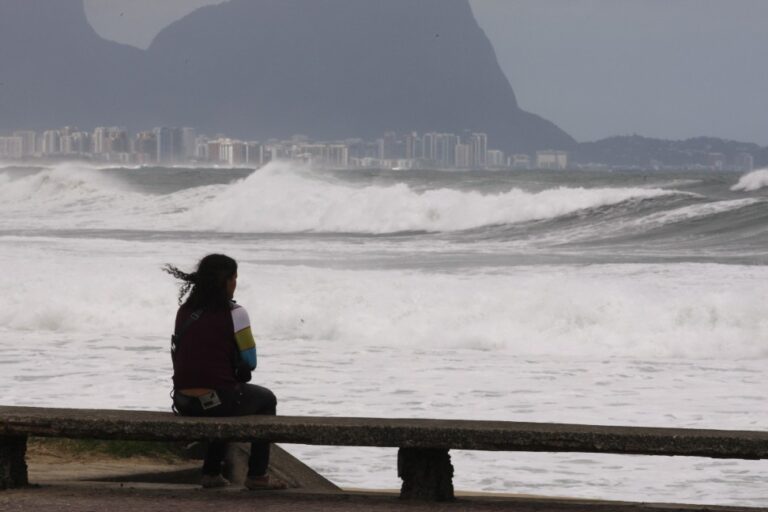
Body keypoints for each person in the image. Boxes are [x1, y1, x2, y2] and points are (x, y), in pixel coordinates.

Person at [164, 254, 286, 490]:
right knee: (265, 400)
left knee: (223, 397)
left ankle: (211, 473)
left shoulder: (185, 311)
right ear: (227, 281)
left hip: (183, 401)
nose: (235, 284)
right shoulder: (236, 313)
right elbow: (250, 361)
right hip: (217, 401)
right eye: (234, 278)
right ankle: (258, 475)